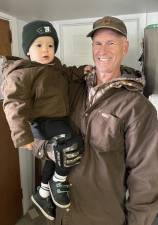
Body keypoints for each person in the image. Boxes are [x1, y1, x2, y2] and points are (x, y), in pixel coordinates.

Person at [44, 16, 158, 225]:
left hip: (102, 217)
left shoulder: (138, 107)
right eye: (98, 43)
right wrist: (46, 148)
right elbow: (40, 125)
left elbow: (146, 179)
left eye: (111, 43)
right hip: (63, 214)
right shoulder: (72, 89)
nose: (102, 50)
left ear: (125, 47)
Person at [1, 20, 90, 221]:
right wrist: (23, 137)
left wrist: (81, 70)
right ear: (28, 50)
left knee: (54, 156)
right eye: (38, 45)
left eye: (50, 45)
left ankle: (42, 194)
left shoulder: (55, 66)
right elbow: (13, 105)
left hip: (58, 120)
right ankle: (58, 182)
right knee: (73, 145)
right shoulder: (22, 73)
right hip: (42, 122)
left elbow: (67, 72)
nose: (45, 50)